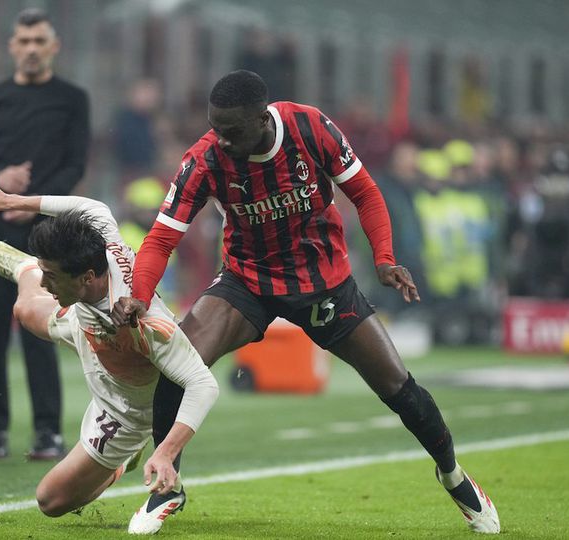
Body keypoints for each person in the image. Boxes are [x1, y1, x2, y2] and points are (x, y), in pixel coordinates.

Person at [111, 70, 500, 534]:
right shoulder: (205, 158)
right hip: (248, 280)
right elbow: (160, 238)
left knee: (399, 386)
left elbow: (366, 194)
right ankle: (167, 488)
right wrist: (139, 297)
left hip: (325, 283)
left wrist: (384, 258)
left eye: (232, 131)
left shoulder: (310, 128)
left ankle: (453, 475)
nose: (222, 140)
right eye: (215, 128)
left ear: (262, 119)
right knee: (178, 362)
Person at [0, 167, 218, 534]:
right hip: (85, 324)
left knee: (50, 500)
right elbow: (92, 207)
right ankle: (26, 267)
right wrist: (9, 200)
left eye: (51, 276)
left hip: (124, 410)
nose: (48, 284)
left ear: (87, 277)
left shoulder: (145, 323)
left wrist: (166, 451)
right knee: (24, 310)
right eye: (45, 273)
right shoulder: (101, 244)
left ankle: (120, 461)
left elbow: (203, 384)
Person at [0, 7, 90, 460]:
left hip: (44, 233)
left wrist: (26, 199)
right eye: (24, 41)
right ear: (12, 47)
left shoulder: (72, 98)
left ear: (54, 46)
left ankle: (47, 432)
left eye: (39, 41)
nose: (32, 49)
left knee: (42, 330)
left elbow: (75, 165)